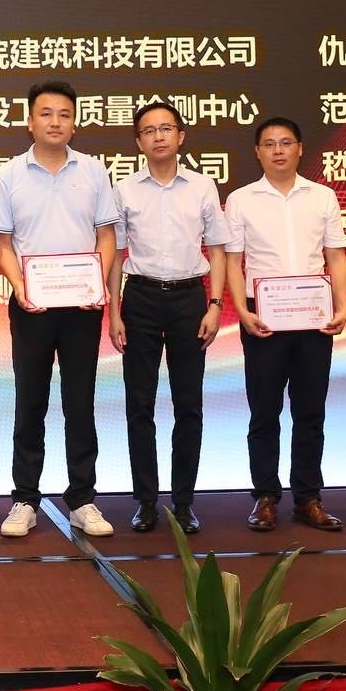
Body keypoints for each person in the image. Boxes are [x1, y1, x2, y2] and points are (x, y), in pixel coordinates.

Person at [0, 80, 117, 539]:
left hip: (82, 304)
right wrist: (20, 286)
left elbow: (106, 236)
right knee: (31, 402)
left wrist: (97, 282)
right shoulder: (8, 175)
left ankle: (82, 498)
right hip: (32, 305)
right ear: (30, 121)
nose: (55, 122)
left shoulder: (94, 171)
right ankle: (25, 498)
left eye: (64, 114)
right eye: (46, 114)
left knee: (80, 402)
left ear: (74, 122)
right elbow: (3, 243)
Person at [108, 101, 232, 535]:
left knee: (188, 404)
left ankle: (183, 503)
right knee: (139, 404)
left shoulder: (202, 186)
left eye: (166, 128)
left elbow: (218, 249)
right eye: (149, 130)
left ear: (181, 136)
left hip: (188, 300)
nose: (158, 136)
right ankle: (146, 501)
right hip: (140, 298)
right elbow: (116, 255)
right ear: (138, 141)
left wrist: (215, 304)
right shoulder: (125, 190)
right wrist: (114, 311)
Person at [223, 118, 346, 533]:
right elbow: (234, 261)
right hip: (264, 315)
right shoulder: (241, 199)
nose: (278, 150)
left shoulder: (323, 196)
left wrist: (343, 305)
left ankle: (308, 498)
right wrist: (241, 311)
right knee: (264, 410)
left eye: (285, 142)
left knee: (310, 410)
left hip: (314, 314)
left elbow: (335, 256)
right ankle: (265, 497)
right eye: (269, 144)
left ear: (300, 148)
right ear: (257, 152)